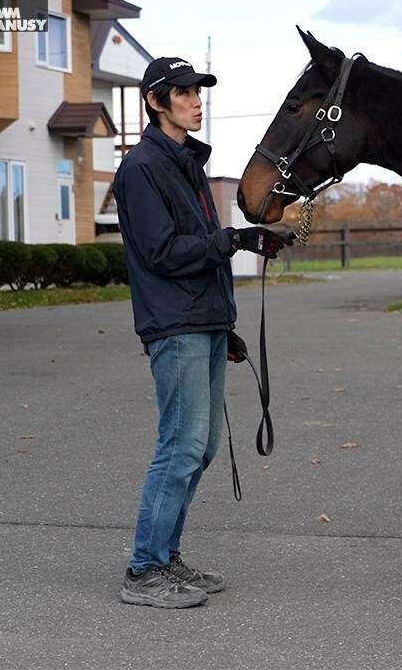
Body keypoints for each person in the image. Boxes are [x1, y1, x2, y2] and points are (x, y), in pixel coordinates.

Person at [115, 56, 291, 608]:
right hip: (174, 325)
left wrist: (224, 323)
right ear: (155, 101)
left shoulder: (185, 164)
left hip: (203, 322)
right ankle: (144, 570)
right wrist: (236, 239)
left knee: (203, 444)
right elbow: (163, 252)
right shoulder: (142, 167)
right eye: (184, 92)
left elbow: (198, 249)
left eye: (198, 91)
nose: (196, 99)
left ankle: (166, 558)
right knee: (180, 444)